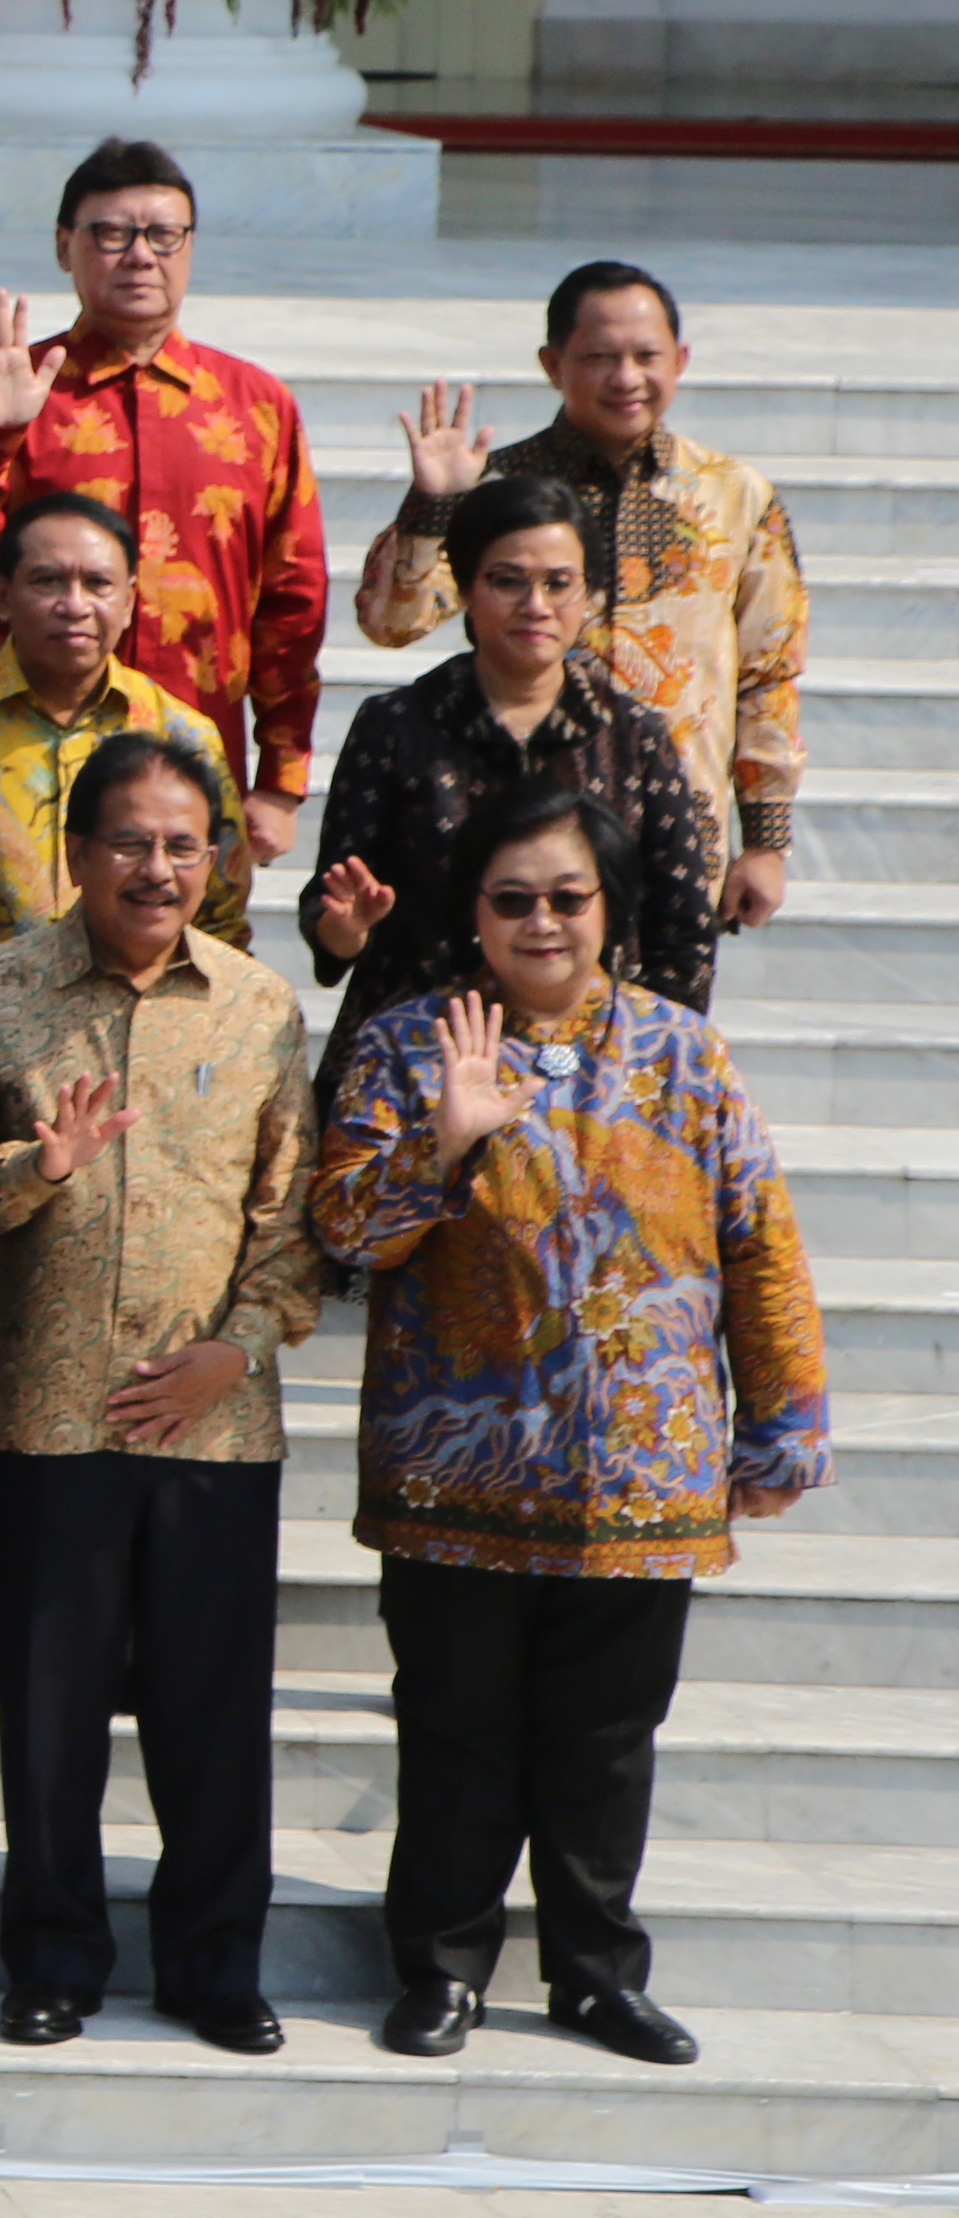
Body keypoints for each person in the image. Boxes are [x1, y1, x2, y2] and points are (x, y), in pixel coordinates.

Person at [317, 783, 827, 2069]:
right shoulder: (400, 1045)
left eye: (565, 895)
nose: (540, 920)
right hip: (455, 1469)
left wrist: (780, 1422)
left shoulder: (684, 1051)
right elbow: (338, 1231)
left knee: (604, 1741)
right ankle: (438, 1967)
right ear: (469, 912)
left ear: (606, 906)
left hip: (635, 1476)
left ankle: (594, 1971)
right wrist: (440, 1145)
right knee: (452, 1726)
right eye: (511, 898)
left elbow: (757, 1241)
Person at [0, 734, 316, 2059]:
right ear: (78, 851)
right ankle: (48, 1957)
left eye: (180, 843)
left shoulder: (258, 1007)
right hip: (40, 1418)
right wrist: (33, 1166)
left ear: (212, 856)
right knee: (46, 1717)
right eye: (128, 841)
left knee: (210, 1714)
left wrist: (234, 1346)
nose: (154, 867)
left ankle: (213, 1964)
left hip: (211, 1425)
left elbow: (290, 1221)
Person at [0, 138, 328, 875]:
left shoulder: (256, 406)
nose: (139, 255)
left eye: (163, 235)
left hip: (195, 755)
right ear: (65, 246)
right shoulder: (19, 386)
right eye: (110, 233)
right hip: (37, 752)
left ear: (189, 247)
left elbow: (293, 601)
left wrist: (281, 780)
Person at [359, 263, 802, 937]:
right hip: (514, 841)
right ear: (551, 363)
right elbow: (391, 622)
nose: (625, 377)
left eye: (645, 356)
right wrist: (433, 504)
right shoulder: (498, 485)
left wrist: (766, 841)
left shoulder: (736, 496)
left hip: (673, 836)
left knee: (653, 1032)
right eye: (598, 357)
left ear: (679, 361)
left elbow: (766, 672)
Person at [304, 473, 724, 1081]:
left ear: (592, 595)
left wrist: (652, 1063)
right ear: (468, 590)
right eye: (508, 581)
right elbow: (331, 906)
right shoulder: (395, 726)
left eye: (559, 584)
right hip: (416, 1057)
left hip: (593, 1065)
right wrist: (344, 931)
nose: (537, 606)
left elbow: (682, 930)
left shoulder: (635, 737)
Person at [0, 489, 250, 998]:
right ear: (4, 598)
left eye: (97, 584)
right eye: (48, 581)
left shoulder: (181, 737)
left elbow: (223, 926)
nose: (74, 605)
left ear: (128, 602)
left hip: (133, 1042)